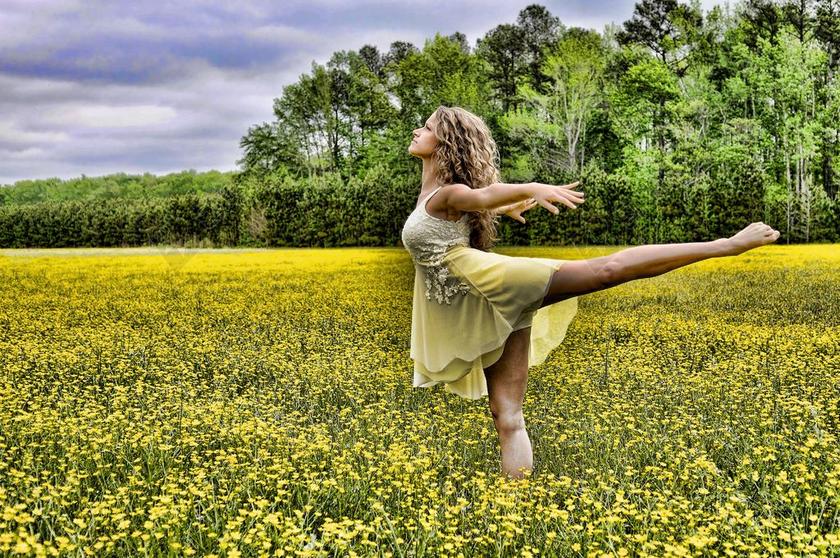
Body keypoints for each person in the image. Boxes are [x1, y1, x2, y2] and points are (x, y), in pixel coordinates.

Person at [401, 105, 780, 479]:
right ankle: (514, 505)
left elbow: (482, 196)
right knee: (506, 413)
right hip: (478, 303)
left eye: (428, 127)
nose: (418, 131)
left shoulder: (448, 193)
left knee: (606, 270)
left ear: (445, 143)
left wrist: (528, 189)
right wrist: (508, 206)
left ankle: (725, 244)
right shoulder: (434, 195)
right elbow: (472, 208)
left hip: (489, 283)